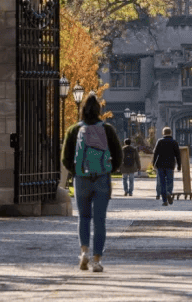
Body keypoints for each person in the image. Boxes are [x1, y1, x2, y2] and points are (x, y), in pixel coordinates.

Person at [61, 94, 123, 273]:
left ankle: (84, 252)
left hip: (82, 179)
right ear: (99, 110)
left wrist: (77, 172)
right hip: (102, 178)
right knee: (100, 220)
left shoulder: (74, 130)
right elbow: (118, 156)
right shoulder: (108, 129)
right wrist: (108, 170)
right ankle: (97, 259)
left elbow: (65, 158)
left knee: (84, 217)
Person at [152, 126, 182, 206]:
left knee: (162, 182)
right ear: (170, 133)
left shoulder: (160, 141)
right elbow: (178, 155)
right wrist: (179, 165)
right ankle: (169, 192)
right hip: (170, 165)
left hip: (160, 164)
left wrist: (153, 163)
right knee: (170, 181)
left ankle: (164, 200)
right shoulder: (174, 142)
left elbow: (155, 153)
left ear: (163, 133)